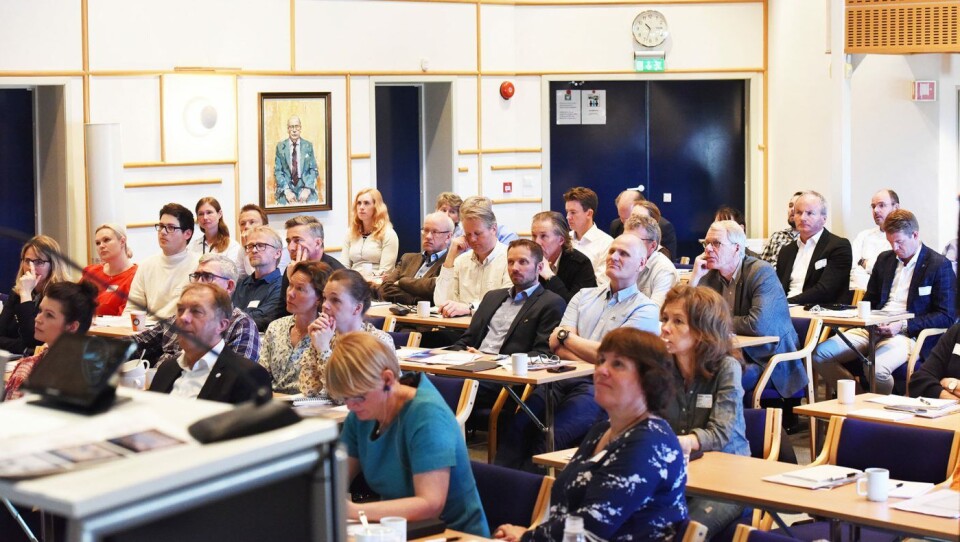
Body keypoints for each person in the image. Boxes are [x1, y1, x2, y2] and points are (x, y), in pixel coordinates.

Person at [493, 328, 688, 542]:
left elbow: (593, 526)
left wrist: (527, 537)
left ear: (649, 380)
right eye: (601, 360)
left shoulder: (650, 442)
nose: (602, 370)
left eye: (618, 364)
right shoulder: (602, 430)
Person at [496, 235, 660, 470]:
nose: (614, 257)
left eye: (623, 254)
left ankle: (532, 498)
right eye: (612, 251)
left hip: (600, 386)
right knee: (517, 427)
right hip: (560, 378)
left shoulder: (645, 309)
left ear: (641, 264)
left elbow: (616, 359)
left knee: (548, 440)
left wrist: (569, 339)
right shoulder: (584, 296)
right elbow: (556, 346)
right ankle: (498, 493)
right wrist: (595, 354)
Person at [329, 334, 490, 537]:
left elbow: (430, 504)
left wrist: (352, 510)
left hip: (453, 534)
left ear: (387, 379)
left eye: (359, 396)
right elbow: (333, 479)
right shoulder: (361, 415)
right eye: (345, 398)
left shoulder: (428, 416)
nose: (351, 406)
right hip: (395, 530)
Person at [814, 209, 955, 395]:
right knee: (819, 355)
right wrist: (862, 317)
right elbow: (870, 300)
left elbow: (946, 316)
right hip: (873, 326)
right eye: (890, 243)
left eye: (899, 242)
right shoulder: (885, 259)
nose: (895, 249)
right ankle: (857, 399)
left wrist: (902, 325)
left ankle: (879, 415)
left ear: (915, 235)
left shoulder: (938, 265)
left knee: (876, 368)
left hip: (908, 334)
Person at [659, 285, 749, 536]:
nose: (666, 328)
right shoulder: (662, 366)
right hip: (678, 470)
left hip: (728, 477)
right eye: (665, 319)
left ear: (703, 330)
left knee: (684, 530)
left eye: (678, 321)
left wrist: (684, 441)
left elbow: (720, 433)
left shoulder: (726, 367)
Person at [451, 240, 567, 408]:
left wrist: (494, 360)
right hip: (471, 368)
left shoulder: (551, 302)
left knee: (439, 389)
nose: (515, 268)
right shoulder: (492, 297)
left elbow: (542, 355)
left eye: (523, 262)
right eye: (510, 262)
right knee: (422, 380)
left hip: (506, 379)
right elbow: (466, 340)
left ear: (540, 267)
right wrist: (460, 354)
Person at [696, 221, 803, 399]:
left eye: (716, 243)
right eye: (706, 243)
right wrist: (695, 278)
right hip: (727, 354)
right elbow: (691, 318)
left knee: (718, 379)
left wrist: (715, 321)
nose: (708, 249)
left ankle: (729, 426)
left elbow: (758, 325)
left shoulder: (761, 271)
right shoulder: (710, 274)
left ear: (737, 248)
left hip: (766, 358)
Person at [149, 283, 272, 404]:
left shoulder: (247, 375)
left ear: (221, 325)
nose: (183, 317)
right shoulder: (166, 369)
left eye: (196, 311)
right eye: (180, 310)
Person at [133, 254, 260, 369]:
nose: (198, 282)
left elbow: (236, 375)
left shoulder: (241, 324)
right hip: (160, 386)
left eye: (207, 277)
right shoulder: (177, 318)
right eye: (197, 276)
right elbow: (139, 342)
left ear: (229, 286)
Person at [299, 269, 394, 397]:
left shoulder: (377, 342)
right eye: (325, 298)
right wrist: (315, 346)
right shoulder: (327, 336)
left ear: (357, 308)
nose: (325, 305)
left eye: (335, 300)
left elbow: (346, 396)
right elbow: (308, 389)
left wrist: (323, 351)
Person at [4, 281, 98, 400]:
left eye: (49, 315)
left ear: (72, 327)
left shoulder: (86, 373)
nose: (38, 319)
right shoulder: (27, 366)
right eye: (40, 311)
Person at [259, 261, 332, 394]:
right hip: (272, 403)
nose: (290, 293)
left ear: (319, 298)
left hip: (310, 406)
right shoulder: (276, 326)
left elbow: (331, 387)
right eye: (290, 285)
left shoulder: (326, 333)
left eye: (300, 289)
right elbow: (261, 376)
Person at [434, 203, 511, 317]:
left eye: (477, 233)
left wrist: (469, 308)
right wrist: (450, 257)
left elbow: (508, 303)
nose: (472, 239)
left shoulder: (510, 259)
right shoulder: (461, 261)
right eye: (468, 234)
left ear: (493, 229)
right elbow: (440, 302)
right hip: (459, 329)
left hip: (493, 331)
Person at [775, 191, 852, 305]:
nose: (803, 218)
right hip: (784, 312)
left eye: (810, 213)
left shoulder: (838, 246)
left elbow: (825, 290)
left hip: (820, 312)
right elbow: (778, 288)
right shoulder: (786, 251)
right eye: (798, 213)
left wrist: (786, 303)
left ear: (823, 218)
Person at [124, 203, 200, 319]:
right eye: (161, 226)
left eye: (170, 228)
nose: (163, 232)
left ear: (187, 234)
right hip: (149, 332)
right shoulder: (146, 265)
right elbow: (132, 309)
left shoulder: (200, 265)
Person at [0, 235, 70, 355]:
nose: (31, 267)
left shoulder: (61, 295)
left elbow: (34, 340)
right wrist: (25, 349)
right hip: (17, 359)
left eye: (39, 262)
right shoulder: (18, 291)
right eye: (27, 261)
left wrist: (26, 294)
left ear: (53, 265)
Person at [377, 212, 453, 305]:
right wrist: (416, 301)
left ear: (448, 236)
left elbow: (435, 289)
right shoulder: (407, 258)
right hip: (400, 315)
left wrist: (402, 282)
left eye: (435, 232)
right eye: (426, 230)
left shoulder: (450, 264)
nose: (428, 236)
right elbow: (385, 289)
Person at [279, 215, 344, 316]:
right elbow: (281, 311)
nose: (290, 248)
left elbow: (330, 314)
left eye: (297, 241)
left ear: (317, 243)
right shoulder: (293, 267)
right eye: (288, 241)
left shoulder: (336, 273)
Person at [530, 211, 596, 303]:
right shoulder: (530, 260)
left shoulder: (581, 264)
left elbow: (574, 306)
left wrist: (549, 276)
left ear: (561, 240)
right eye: (534, 236)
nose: (536, 242)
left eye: (543, 236)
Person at [232, 225, 284, 331]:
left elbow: (262, 318)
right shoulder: (241, 285)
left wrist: (231, 318)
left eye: (261, 245)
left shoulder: (283, 286)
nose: (254, 250)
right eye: (250, 246)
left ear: (277, 253)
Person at [850, 189, 900, 291]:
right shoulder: (863, 235)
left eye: (881, 205)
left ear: (896, 208)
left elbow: (890, 274)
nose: (876, 210)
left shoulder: (901, 239)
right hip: (856, 295)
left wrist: (864, 263)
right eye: (873, 206)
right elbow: (851, 269)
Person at [82, 224, 138, 316]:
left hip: (116, 329)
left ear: (122, 241)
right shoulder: (91, 272)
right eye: (97, 243)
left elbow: (127, 316)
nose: (101, 246)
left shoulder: (136, 275)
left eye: (106, 240)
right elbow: (74, 304)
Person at [341, 188, 399, 276]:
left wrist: (364, 278)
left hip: (377, 283)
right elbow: (344, 266)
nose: (361, 207)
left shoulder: (389, 234)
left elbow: (386, 271)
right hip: (353, 282)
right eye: (359, 203)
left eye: (366, 203)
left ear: (376, 207)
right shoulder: (350, 232)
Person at [624, 214, 678, 306]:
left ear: (652, 246)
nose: (627, 245)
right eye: (625, 239)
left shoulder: (664, 269)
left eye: (635, 241)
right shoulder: (620, 261)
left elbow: (655, 312)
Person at [564, 186, 613, 284]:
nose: (568, 217)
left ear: (589, 214)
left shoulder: (607, 243)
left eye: (573, 212)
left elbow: (601, 284)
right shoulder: (564, 239)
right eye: (567, 212)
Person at [190, 197, 245, 274]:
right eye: (201, 214)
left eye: (209, 212)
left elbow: (233, 275)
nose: (205, 217)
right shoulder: (192, 247)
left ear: (219, 214)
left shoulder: (232, 246)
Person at [274, 115, 319, 205]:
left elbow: (313, 170)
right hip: (286, 188)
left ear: (300, 128)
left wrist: (307, 189)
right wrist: (286, 191)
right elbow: (278, 171)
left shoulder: (308, 146)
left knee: (312, 204)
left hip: (305, 186)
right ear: (288, 129)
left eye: (296, 126)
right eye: (291, 127)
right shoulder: (280, 147)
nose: (294, 130)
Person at [909, 322, 960, 399]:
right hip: (949, 408)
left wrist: (949, 384)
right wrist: (950, 398)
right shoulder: (956, 332)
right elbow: (920, 379)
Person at [237, 203, 290, 275]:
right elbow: (240, 276)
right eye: (242, 224)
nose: (246, 227)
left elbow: (260, 275)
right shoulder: (244, 247)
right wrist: (246, 248)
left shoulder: (280, 245)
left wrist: (247, 252)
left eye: (252, 222)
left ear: (266, 226)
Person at [759, 192, 802, 267]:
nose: (792, 209)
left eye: (797, 206)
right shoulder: (777, 236)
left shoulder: (808, 238)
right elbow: (762, 265)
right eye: (790, 206)